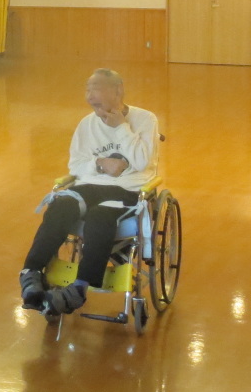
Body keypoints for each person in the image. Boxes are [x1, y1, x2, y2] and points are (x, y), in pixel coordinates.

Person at [18, 69, 159, 317]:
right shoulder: (87, 124)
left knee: (99, 216)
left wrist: (121, 127)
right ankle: (31, 272)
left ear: (118, 90)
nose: (90, 96)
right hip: (90, 184)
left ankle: (80, 287)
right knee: (60, 205)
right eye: (87, 89)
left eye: (96, 89)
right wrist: (101, 164)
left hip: (129, 188)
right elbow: (75, 164)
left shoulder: (146, 119)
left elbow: (141, 161)